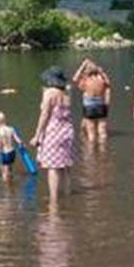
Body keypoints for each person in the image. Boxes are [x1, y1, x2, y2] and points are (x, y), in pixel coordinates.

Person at [30, 67, 77, 204]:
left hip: (54, 132)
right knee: (66, 165)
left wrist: (37, 135)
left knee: (53, 167)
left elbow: (45, 115)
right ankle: (68, 195)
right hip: (67, 131)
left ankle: (54, 201)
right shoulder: (66, 93)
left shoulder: (50, 93)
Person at [73, 58, 112, 147]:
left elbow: (75, 79)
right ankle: (103, 151)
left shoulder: (85, 80)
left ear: (87, 72)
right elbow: (108, 83)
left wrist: (82, 65)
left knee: (91, 134)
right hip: (101, 104)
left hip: (89, 106)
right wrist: (101, 71)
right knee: (102, 131)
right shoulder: (101, 80)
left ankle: (91, 154)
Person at [0, 110, 24, 181]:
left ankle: (8, 187)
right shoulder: (11, 129)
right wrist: (22, 145)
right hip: (12, 152)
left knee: (4, 172)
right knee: (9, 168)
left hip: (5, 154)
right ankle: (11, 180)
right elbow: (18, 140)